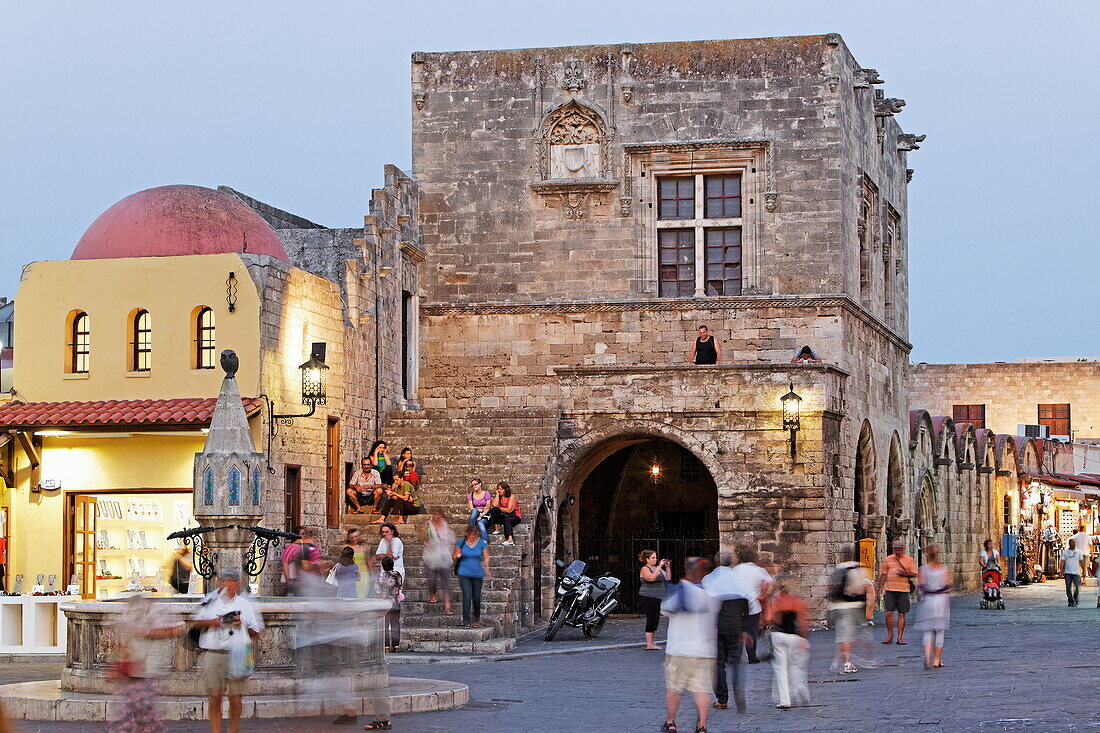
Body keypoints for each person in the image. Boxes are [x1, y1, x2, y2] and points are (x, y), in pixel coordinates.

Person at [191, 568, 264, 733]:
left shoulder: (244, 605)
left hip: (236, 654)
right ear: (219, 582)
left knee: (236, 697)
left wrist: (241, 625)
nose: (227, 584)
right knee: (215, 696)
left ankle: (233, 729)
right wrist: (214, 622)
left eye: (230, 581)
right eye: (224, 580)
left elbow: (255, 631)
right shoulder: (210, 601)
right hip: (213, 652)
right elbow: (196, 623)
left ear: (237, 583)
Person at [661, 557, 718, 733]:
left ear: (688, 571)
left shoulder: (683, 591)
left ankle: (670, 722)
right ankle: (702, 725)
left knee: (675, 689)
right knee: (702, 690)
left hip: (680, 649)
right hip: (705, 651)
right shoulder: (711, 594)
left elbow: (666, 609)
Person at [109, 593, 182, 733]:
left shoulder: (147, 613)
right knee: (137, 710)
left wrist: (147, 632)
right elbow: (125, 641)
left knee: (141, 711)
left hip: (144, 669)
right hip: (136, 669)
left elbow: (175, 629)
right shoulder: (131, 615)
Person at [702, 551, 750, 713]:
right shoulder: (739, 580)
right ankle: (738, 692)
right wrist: (744, 629)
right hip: (735, 625)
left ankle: (722, 698)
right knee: (736, 663)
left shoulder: (709, 579)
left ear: (716, 562)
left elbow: (705, 604)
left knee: (718, 664)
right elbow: (746, 606)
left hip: (717, 626)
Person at [765, 575, 810, 709]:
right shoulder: (796, 600)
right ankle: (800, 689)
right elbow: (802, 621)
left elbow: (769, 618)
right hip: (793, 636)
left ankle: (785, 700)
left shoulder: (774, 600)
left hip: (778, 635)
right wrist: (803, 638)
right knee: (795, 666)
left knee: (780, 669)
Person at [829, 545, 873, 674]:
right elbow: (862, 588)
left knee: (842, 635)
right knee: (854, 635)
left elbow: (831, 587)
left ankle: (837, 660)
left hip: (837, 606)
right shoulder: (859, 567)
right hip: (853, 606)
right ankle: (847, 663)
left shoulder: (837, 568)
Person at [730, 546, 772, 663]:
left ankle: (736, 656)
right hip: (753, 605)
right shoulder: (759, 570)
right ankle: (752, 656)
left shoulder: (734, 570)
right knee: (751, 632)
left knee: (738, 631)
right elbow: (770, 583)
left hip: (737, 605)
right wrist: (764, 595)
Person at [916, 543, 953, 669]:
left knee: (927, 630)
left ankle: (927, 657)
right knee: (939, 631)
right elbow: (948, 584)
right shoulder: (943, 569)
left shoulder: (923, 569)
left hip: (928, 599)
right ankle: (936, 660)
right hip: (940, 600)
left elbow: (920, 584)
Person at [877, 539, 917, 644]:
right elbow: (884, 574)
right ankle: (890, 635)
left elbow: (914, 573)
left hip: (903, 590)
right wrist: (880, 588)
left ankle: (899, 637)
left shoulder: (909, 560)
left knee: (901, 614)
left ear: (903, 549)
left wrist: (905, 573)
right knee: (888, 613)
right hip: (890, 590)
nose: (897, 551)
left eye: (899, 549)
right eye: (895, 549)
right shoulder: (888, 559)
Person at [454, 524, 490, 628]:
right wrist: (457, 555)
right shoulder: (461, 542)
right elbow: (454, 556)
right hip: (463, 572)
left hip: (477, 573)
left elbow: (486, 556)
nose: (472, 536)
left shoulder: (481, 543)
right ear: (467, 534)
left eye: (474, 534)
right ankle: (466, 621)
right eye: (470, 534)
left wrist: (486, 567)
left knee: (476, 597)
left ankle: (476, 617)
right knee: (467, 596)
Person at [421, 511, 455, 614]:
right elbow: (424, 539)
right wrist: (426, 530)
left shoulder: (446, 527)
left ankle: (447, 605)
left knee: (446, 582)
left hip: (444, 556)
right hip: (431, 557)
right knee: (432, 579)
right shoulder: (429, 526)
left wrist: (452, 555)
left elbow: (452, 541)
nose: (437, 518)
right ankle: (432, 594)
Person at [638, 550, 671, 650]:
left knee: (656, 619)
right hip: (648, 596)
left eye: (656, 557)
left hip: (657, 596)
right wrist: (660, 567)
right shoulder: (645, 569)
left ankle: (652, 642)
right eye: (653, 558)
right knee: (651, 618)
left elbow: (668, 578)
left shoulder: (658, 568)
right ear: (647, 559)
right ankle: (649, 643)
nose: (655, 560)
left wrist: (667, 567)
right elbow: (651, 578)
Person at [281, 526, 321, 596]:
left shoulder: (309, 546)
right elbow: (285, 562)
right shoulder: (293, 547)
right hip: (298, 580)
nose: (304, 536)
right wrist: (288, 579)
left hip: (310, 580)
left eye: (304, 534)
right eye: (302, 534)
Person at [375, 556, 403, 652]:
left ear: (383, 566)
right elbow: (400, 585)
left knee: (385, 625)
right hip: (395, 602)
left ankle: (386, 646)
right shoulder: (397, 575)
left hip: (384, 603)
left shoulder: (380, 577)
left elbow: (377, 590)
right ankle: (396, 646)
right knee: (395, 624)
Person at [343, 528, 372, 598]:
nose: (354, 539)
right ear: (349, 538)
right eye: (352, 537)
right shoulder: (346, 547)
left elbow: (368, 561)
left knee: (363, 594)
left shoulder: (365, 547)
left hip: (364, 574)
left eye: (356, 536)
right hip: (352, 574)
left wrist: (372, 574)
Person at [1061, 537, 1085, 607]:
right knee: (1068, 588)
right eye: (1072, 542)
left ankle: (1075, 598)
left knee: (1077, 588)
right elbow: (1062, 561)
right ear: (1069, 544)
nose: (1073, 544)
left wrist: (1083, 570)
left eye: (1074, 542)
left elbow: (1081, 561)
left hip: (1076, 572)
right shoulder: (1065, 552)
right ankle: (1070, 600)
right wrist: (1061, 570)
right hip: (1067, 572)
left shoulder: (1079, 552)